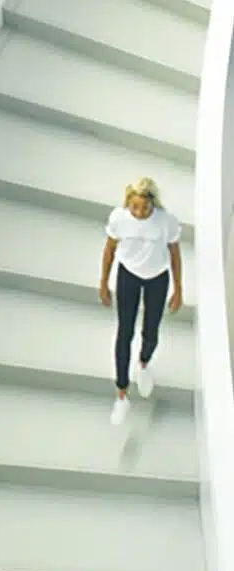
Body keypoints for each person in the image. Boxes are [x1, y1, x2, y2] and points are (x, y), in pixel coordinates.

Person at [99, 177, 183, 426]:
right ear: (128, 203)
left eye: (144, 207)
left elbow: (175, 253)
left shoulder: (166, 221)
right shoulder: (119, 218)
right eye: (134, 206)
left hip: (157, 278)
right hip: (129, 276)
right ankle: (121, 393)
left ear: (152, 204)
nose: (139, 212)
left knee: (151, 332)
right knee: (125, 333)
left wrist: (178, 288)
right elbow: (109, 249)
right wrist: (103, 282)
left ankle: (144, 363)